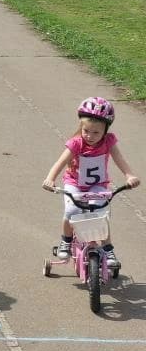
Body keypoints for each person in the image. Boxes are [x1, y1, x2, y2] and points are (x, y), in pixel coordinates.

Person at [42, 97, 139, 268]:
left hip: (98, 185)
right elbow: (60, 162)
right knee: (72, 211)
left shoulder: (108, 142)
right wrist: (50, 179)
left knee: (100, 214)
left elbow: (119, 159)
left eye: (96, 132)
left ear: (105, 131)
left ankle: (108, 248)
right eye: (86, 130)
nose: (90, 136)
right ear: (81, 126)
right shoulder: (76, 143)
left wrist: (130, 175)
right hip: (75, 183)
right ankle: (66, 240)